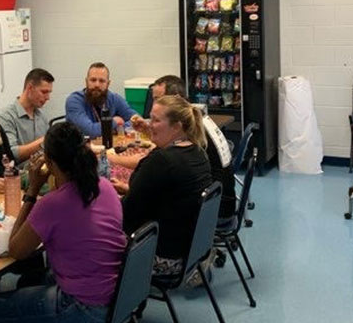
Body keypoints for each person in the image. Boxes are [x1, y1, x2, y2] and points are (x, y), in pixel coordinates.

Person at [0, 122, 126, 323]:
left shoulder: (51, 204)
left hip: (83, 306)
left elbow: (16, 250)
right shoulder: (105, 187)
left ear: (50, 162)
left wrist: (33, 190)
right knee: (35, 279)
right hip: (118, 294)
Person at [114, 95, 212, 280]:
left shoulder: (162, 161)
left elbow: (126, 213)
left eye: (156, 120)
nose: (150, 124)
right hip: (188, 252)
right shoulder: (197, 151)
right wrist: (129, 190)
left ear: (176, 127)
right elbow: (170, 197)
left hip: (163, 258)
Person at [129, 75, 236, 227]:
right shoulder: (197, 122)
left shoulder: (170, 156)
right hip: (208, 212)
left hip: (214, 214)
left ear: (176, 99)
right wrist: (150, 129)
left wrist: (110, 157)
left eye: (159, 99)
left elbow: (157, 164)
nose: (155, 103)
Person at [0, 68, 55, 162]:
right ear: (30, 88)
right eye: (44, 92)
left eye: (49, 93)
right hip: (20, 173)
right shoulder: (5, 116)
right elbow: (11, 154)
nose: (48, 98)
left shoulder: (41, 116)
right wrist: (46, 140)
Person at [65, 62, 136, 137]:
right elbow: (90, 131)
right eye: (93, 80)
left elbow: (136, 119)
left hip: (109, 146)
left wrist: (118, 129)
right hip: (82, 147)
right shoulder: (74, 100)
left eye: (102, 81)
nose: (97, 85)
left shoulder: (114, 98)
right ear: (86, 81)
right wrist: (114, 122)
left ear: (108, 84)